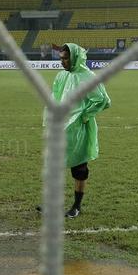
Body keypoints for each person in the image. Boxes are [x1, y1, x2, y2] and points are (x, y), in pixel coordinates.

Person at [49, 43, 111, 219]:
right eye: (61, 58)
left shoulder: (88, 77)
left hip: (79, 129)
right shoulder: (62, 76)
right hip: (62, 127)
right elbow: (55, 97)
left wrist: (85, 115)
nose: (63, 62)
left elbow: (104, 100)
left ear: (75, 57)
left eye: (66, 58)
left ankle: (76, 206)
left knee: (79, 168)